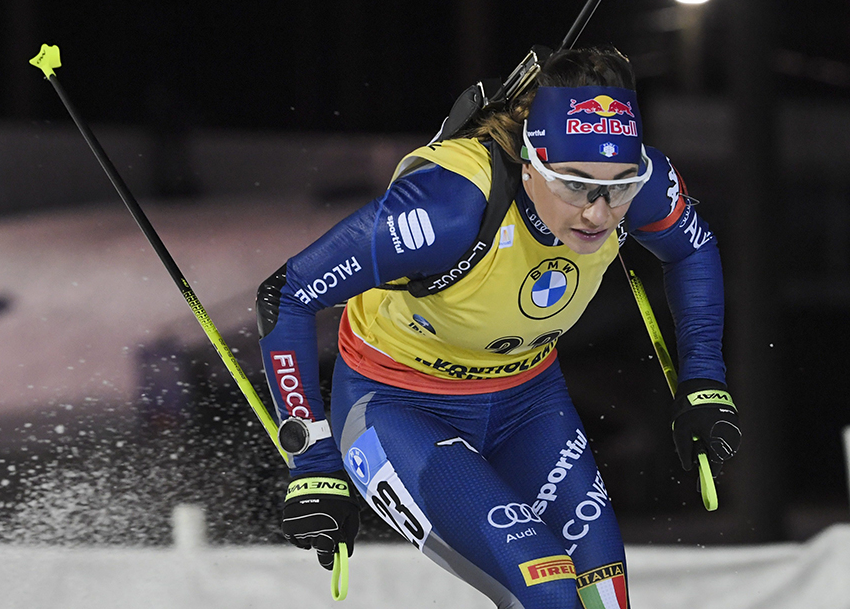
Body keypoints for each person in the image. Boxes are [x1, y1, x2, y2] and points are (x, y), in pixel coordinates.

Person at [255, 46, 741, 609]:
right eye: (573, 184)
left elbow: (692, 250)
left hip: (527, 402)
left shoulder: (641, 185)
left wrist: (704, 378)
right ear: (531, 162)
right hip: (399, 406)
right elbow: (286, 295)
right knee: (546, 586)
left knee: (603, 596)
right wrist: (313, 463)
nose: (599, 214)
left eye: (618, 187)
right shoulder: (449, 207)